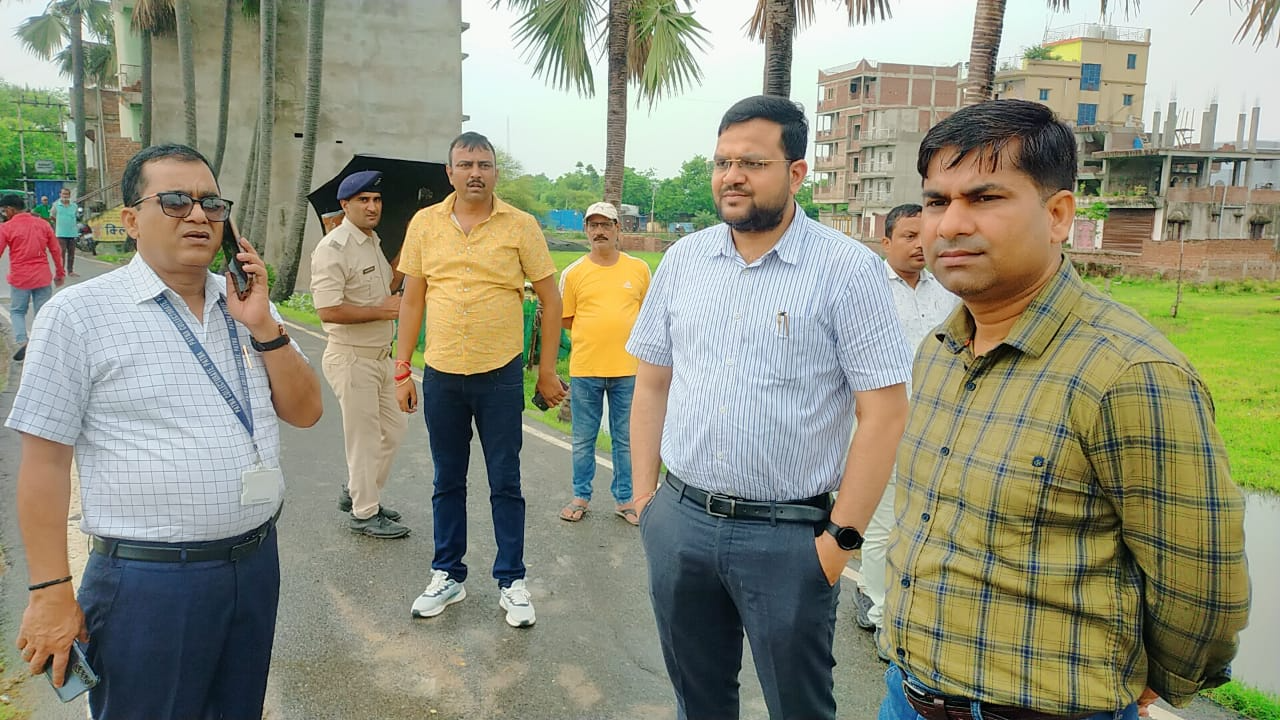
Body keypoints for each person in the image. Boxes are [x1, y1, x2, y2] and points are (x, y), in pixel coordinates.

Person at [879, 100, 1250, 720]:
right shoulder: (939, 351)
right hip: (908, 695)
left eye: (985, 198)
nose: (948, 225)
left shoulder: (1128, 375)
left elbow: (1201, 582)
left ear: (1057, 216)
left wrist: (1160, 680)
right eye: (938, 201)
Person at [6, 144, 323, 719]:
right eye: (175, 201)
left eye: (211, 204)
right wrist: (50, 590)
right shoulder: (79, 315)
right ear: (131, 220)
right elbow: (44, 462)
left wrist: (265, 327)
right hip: (149, 585)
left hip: (253, 567)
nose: (198, 216)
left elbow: (305, 412)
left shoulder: (246, 305)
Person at [626, 95, 912, 720]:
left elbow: (885, 411)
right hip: (681, 521)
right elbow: (651, 384)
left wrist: (840, 540)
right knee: (697, 700)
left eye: (752, 162)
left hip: (790, 537)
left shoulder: (847, 270)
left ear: (797, 172)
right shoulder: (683, 261)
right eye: (723, 161)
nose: (732, 176)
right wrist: (648, 503)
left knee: (799, 708)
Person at [395, 131, 567, 628]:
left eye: (485, 164)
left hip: (500, 374)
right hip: (443, 374)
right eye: (466, 163)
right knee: (446, 479)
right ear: (449, 172)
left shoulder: (521, 225)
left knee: (505, 480)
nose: (476, 172)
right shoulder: (425, 225)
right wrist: (402, 368)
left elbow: (550, 299)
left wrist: (547, 369)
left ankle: (511, 581)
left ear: (495, 172)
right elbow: (412, 299)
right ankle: (447, 574)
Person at [850, 203, 958, 657]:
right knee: (882, 522)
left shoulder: (948, 291)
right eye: (909, 236)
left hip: (941, 426)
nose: (920, 244)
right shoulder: (866, 291)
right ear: (887, 241)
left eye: (925, 234)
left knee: (930, 521)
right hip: (884, 426)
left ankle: (921, 609)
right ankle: (878, 612)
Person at [310, 170, 410, 539]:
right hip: (351, 358)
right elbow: (327, 310)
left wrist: (410, 248)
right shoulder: (332, 248)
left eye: (377, 200)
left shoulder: (371, 240)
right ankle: (364, 512)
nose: (372, 206)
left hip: (379, 357)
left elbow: (390, 284)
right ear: (345, 205)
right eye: (363, 200)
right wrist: (383, 311)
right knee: (365, 438)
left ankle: (358, 491)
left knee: (395, 429)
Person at [556, 201, 651, 525]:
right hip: (586, 370)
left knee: (625, 438)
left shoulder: (638, 269)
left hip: (628, 369)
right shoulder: (574, 273)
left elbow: (647, 315)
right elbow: (566, 319)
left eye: (606, 225)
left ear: (617, 229)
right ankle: (581, 496)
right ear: (586, 230)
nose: (599, 231)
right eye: (593, 225)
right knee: (583, 438)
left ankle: (625, 499)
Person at [0, 194, 65, 362]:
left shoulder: (7, 227)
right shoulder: (43, 224)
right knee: (43, 312)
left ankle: (23, 341)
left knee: (17, 311)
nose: (4, 213)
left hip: (20, 278)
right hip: (42, 277)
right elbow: (56, 250)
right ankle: (42, 344)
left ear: (11, 209)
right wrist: (59, 272)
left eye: (4, 210)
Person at [51, 187, 80, 277]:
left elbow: (76, 216)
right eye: (63, 194)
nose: (65, 196)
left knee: (71, 254)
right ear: (60, 195)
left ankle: (70, 271)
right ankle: (60, 271)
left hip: (72, 233)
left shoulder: (74, 206)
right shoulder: (56, 205)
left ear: (69, 195)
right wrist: (59, 223)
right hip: (61, 233)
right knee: (61, 253)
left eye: (67, 194)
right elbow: (52, 216)